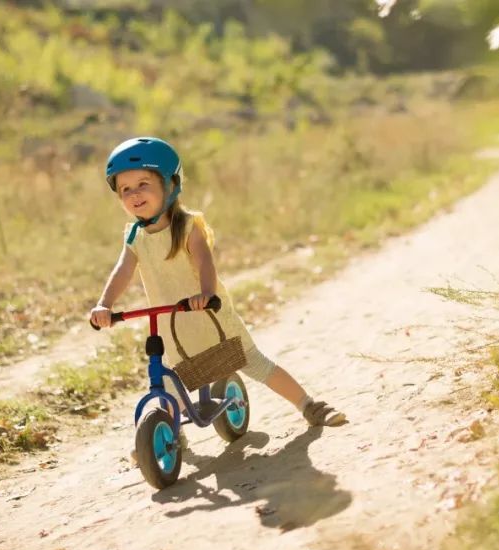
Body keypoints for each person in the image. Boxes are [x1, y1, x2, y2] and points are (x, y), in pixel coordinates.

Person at [89, 136, 347, 427]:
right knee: (169, 383)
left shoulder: (187, 226)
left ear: (169, 184)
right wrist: (104, 304)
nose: (134, 194)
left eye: (143, 184)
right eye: (125, 189)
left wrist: (206, 293)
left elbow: (204, 260)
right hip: (174, 327)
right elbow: (123, 270)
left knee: (254, 363)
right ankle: (166, 437)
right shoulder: (135, 236)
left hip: (208, 313)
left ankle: (309, 405)